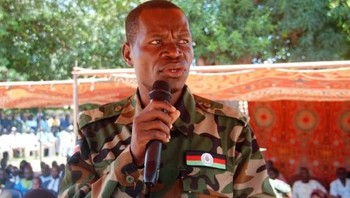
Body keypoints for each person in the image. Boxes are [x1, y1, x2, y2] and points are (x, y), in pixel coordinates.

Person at [59, 0, 275, 197]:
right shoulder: (96, 129)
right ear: (128, 54)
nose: (174, 52)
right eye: (156, 42)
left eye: (183, 41)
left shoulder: (231, 128)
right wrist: (130, 158)